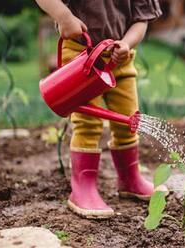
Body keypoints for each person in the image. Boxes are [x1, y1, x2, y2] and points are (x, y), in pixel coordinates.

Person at [35, 0, 167, 219]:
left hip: (120, 59)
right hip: (81, 54)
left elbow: (140, 20)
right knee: (88, 124)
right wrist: (64, 17)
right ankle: (82, 188)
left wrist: (126, 43)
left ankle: (130, 178)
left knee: (128, 120)